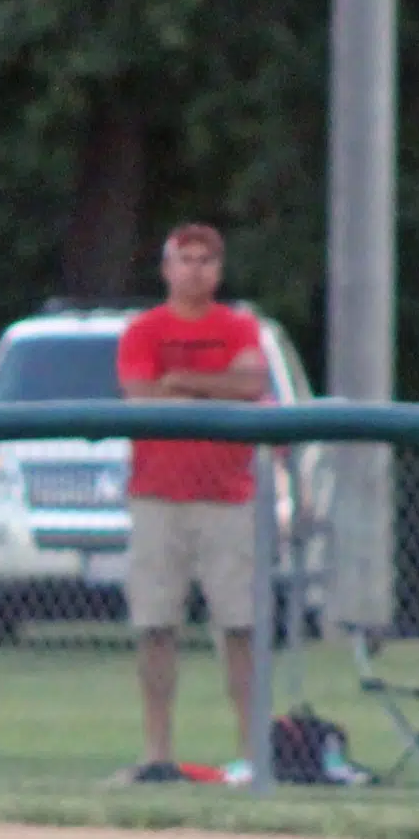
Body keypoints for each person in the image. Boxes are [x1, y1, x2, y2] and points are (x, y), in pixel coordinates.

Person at [115, 223, 270, 784]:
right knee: (156, 625)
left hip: (227, 499)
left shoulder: (238, 326)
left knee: (241, 626)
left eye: (206, 260)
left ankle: (255, 756)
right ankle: (157, 753)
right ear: (167, 269)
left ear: (219, 269)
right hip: (158, 497)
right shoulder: (144, 330)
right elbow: (140, 394)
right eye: (186, 260)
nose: (196, 270)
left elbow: (252, 381)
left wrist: (183, 379)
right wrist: (212, 383)